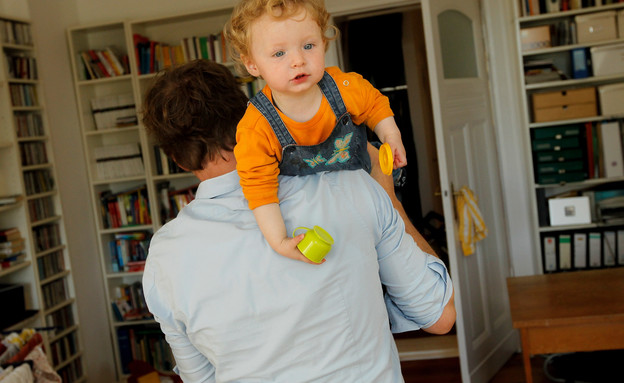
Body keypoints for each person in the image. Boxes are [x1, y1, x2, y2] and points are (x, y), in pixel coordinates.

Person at [141, 59, 454, 382]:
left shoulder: (164, 258)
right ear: (251, 116)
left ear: (176, 158)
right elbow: (439, 316)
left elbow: (201, 379)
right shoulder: (346, 186)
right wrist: (384, 191)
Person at [223, 0, 408, 263]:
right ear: (252, 64)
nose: (298, 60)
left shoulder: (344, 86)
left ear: (323, 43)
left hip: (370, 201)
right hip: (318, 223)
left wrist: (391, 135)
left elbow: (374, 104)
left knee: (395, 267)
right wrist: (279, 241)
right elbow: (258, 188)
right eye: (279, 54)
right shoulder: (256, 128)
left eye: (308, 46)